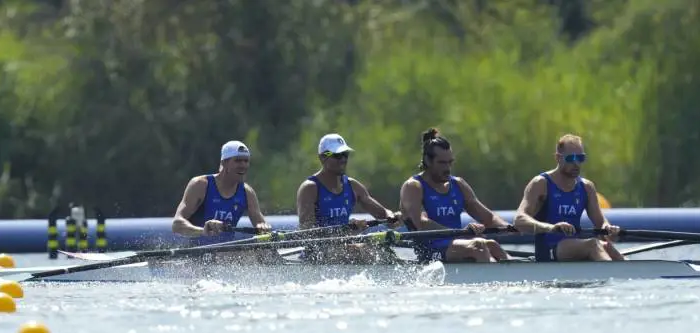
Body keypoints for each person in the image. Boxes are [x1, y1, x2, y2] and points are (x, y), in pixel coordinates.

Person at [398, 128, 512, 263]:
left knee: (492, 244)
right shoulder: (414, 187)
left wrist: (510, 228)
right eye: (442, 163)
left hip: (459, 243)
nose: (447, 168)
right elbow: (419, 222)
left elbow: (488, 217)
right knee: (479, 246)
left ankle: (517, 279)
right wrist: (459, 233)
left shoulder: (458, 184)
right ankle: (495, 280)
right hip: (431, 251)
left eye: (450, 162)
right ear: (427, 161)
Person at [514, 134, 624, 262]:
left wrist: (608, 229)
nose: (576, 163)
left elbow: (600, 223)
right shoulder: (541, 184)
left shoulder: (587, 187)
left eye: (580, 158)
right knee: (594, 244)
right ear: (558, 158)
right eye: (571, 158)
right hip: (549, 250)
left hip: (574, 248)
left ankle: (630, 279)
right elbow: (519, 220)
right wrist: (551, 227)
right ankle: (613, 278)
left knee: (607, 246)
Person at [295, 133, 401, 263]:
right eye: (337, 155)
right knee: (367, 253)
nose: (343, 160)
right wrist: (347, 230)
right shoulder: (310, 188)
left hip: (345, 248)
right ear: (323, 157)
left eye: (345, 154)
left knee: (383, 251)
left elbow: (381, 212)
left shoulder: (353, 186)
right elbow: (307, 234)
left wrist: (391, 216)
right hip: (318, 253)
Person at [173, 140, 272, 240]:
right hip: (196, 253)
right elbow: (177, 225)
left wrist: (263, 227)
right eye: (238, 160)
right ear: (224, 163)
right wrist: (203, 231)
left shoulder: (247, 192)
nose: (243, 166)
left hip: (224, 255)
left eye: (246, 161)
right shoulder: (200, 185)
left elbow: (261, 224)